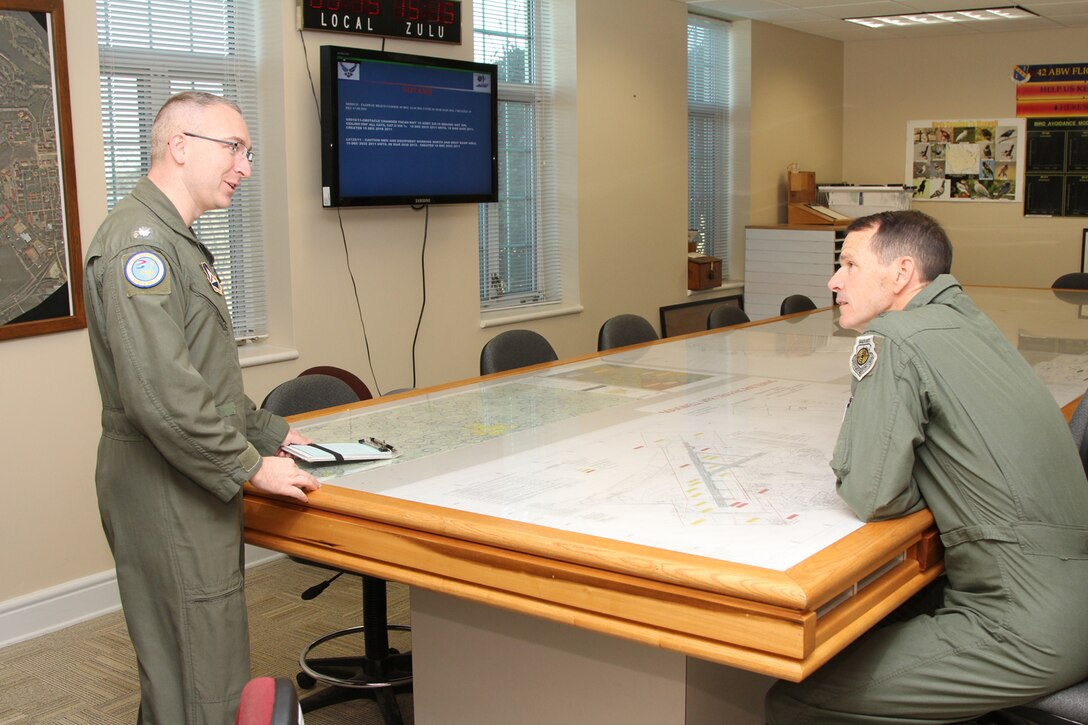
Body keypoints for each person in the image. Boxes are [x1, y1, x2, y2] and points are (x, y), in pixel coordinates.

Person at [765, 210, 1088, 723]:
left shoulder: (896, 338)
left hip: (1022, 622)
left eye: (848, 264)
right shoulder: (970, 323)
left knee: (798, 698)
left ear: (901, 274)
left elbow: (872, 493)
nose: (833, 280)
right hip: (1068, 596)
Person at [83, 92, 321, 724]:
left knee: (191, 651)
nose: (245, 165)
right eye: (234, 148)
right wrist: (251, 466)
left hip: (185, 469)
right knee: (199, 666)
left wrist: (272, 431)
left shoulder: (175, 240)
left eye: (248, 151)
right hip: (163, 479)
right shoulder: (142, 247)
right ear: (180, 146)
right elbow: (161, 395)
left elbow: (201, 379)